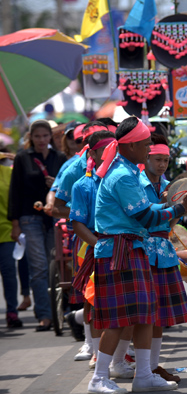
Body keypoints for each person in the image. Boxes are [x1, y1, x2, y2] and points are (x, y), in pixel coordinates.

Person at [88, 117, 187, 394]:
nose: (149, 148)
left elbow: (148, 210)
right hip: (120, 250)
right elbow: (145, 216)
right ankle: (98, 378)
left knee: (144, 315)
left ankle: (144, 375)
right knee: (119, 319)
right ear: (132, 145)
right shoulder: (123, 175)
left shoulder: (127, 169)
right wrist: (180, 209)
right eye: (146, 144)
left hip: (130, 248)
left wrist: (175, 203)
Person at [141, 135, 187, 383]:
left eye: (166, 160)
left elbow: (171, 221)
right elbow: (142, 217)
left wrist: (180, 208)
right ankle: (121, 363)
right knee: (140, 315)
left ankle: (152, 366)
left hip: (163, 251)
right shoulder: (136, 182)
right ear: (146, 158)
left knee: (159, 314)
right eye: (158, 159)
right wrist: (166, 207)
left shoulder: (170, 185)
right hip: (141, 251)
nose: (162, 164)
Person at [8, 119, 66, 331]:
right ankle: (44, 314)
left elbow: (67, 188)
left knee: (57, 263)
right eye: (37, 136)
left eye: (45, 136)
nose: (41, 140)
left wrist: (56, 186)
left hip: (54, 216)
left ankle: (62, 309)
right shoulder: (23, 158)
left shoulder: (58, 157)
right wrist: (15, 223)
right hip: (29, 217)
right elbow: (15, 190)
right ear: (31, 138)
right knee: (39, 267)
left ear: (50, 137)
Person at [68, 130, 116, 366]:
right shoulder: (82, 185)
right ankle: (94, 348)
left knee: (117, 300)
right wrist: (99, 245)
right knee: (93, 299)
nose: (111, 154)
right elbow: (77, 223)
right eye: (106, 150)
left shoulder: (119, 178)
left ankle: (118, 355)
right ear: (93, 153)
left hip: (119, 246)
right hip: (90, 247)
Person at [0, 149, 21, 328]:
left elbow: (15, 201)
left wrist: (16, 225)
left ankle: (11, 312)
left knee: (8, 272)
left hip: (6, 230)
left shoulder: (8, 173)